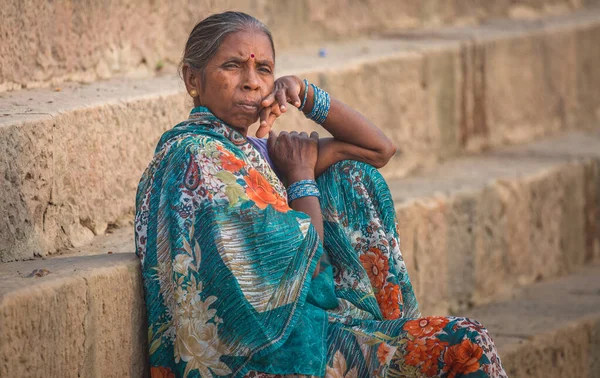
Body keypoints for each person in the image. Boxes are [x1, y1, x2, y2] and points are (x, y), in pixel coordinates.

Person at [135, 11, 507, 378]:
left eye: (264, 69)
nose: (251, 82)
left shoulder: (256, 152)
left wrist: (306, 94)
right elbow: (306, 272)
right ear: (192, 79)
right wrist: (299, 178)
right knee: (466, 343)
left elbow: (379, 150)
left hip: (316, 328)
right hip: (274, 354)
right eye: (233, 66)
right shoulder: (200, 157)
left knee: (349, 176)